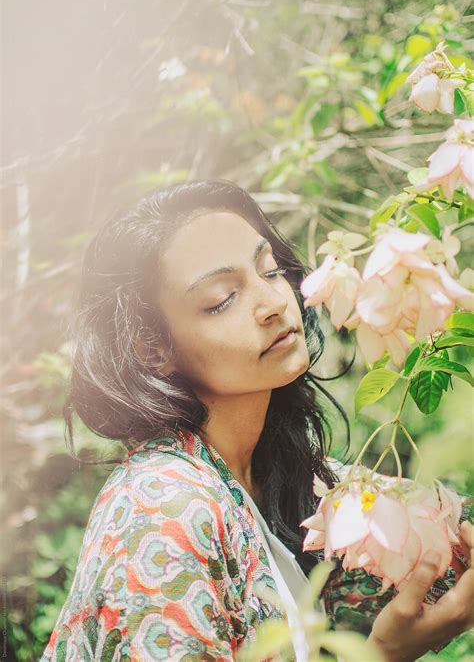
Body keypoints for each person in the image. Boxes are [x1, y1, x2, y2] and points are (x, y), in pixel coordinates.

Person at [41, 180, 473, 661]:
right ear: (152, 349)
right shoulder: (163, 505)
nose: (273, 304)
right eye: (222, 298)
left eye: (269, 271)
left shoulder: (284, 472)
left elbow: (450, 536)